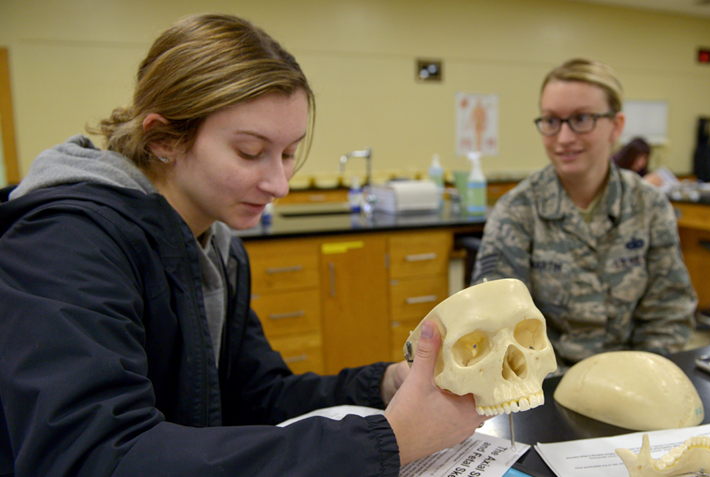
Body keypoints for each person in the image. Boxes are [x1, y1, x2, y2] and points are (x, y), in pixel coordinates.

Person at [0, 14, 485, 476]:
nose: (279, 184)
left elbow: (251, 397)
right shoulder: (64, 242)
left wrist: (380, 385)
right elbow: (91, 458)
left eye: (290, 153)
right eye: (250, 152)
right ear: (164, 137)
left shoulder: (217, 246)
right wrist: (390, 440)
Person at [471, 58, 697, 365]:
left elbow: (669, 310)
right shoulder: (517, 211)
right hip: (544, 387)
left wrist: (644, 374)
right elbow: (496, 324)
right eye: (551, 121)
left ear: (615, 126)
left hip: (634, 379)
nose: (563, 138)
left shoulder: (648, 206)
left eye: (581, 119)